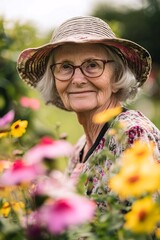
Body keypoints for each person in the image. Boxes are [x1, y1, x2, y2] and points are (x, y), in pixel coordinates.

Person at [17, 16, 160, 198]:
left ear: (116, 76)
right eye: (66, 66)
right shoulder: (79, 149)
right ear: (53, 80)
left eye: (92, 65)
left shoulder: (131, 134)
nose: (77, 79)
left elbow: (147, 221)